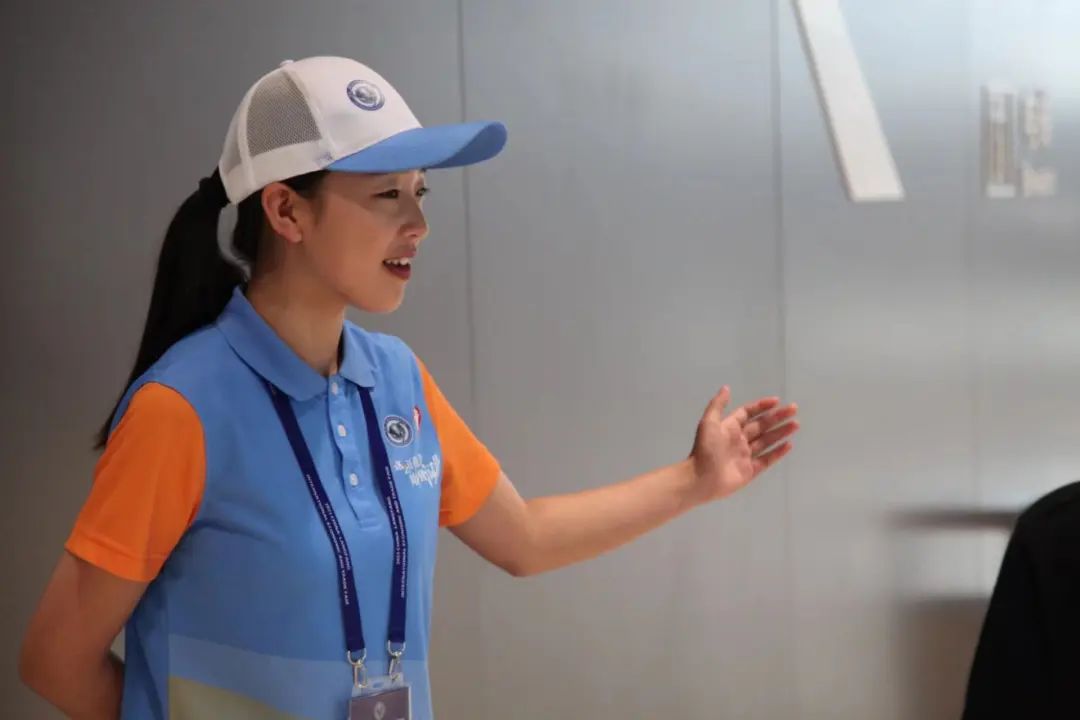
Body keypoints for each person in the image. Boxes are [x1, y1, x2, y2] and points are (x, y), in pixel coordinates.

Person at [18, 56, 800, 720]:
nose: (418, 224)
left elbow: (524, 538)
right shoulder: (181, 409)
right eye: (386, 194)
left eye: (421, 193)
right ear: (286, 209)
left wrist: (695, 480)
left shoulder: (396, 379)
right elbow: (56, 660)